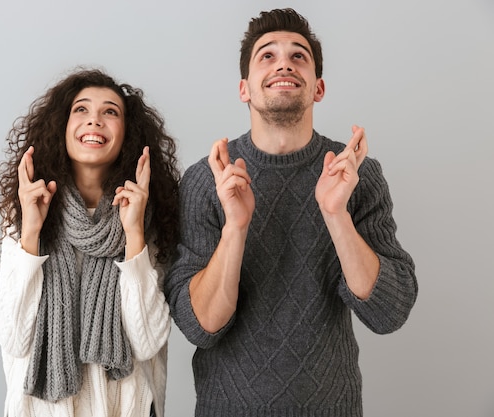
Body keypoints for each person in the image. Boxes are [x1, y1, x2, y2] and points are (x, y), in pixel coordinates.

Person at [164, 8, 418, 417]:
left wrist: (336, 214)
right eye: (267, 55)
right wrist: (236, 227)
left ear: (318, 88)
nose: (284, 62)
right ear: (244, 88)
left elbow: (390, 312)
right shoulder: (206, 179)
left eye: (298, 55)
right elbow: (201, 327)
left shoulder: (356, 175)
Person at [0, 68, 180, 417]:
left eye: (110, 112)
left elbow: (148, 341)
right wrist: (30, 234)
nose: (94, 121)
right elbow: (14, 337)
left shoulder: (147, 216)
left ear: (128, 133)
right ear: (62, 126)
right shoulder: (29, 210)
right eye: (81, 110)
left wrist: (134, 234)